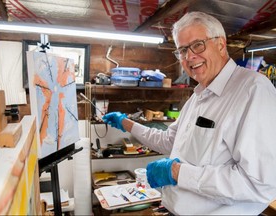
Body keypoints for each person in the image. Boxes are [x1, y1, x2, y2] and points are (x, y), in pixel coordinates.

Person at [102, 11, 276, 215]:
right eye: (182, 50)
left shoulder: (252, 90)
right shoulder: (199, 95)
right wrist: (126, 123)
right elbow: (170, 140)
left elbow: (259, 183)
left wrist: (176, 172)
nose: (190, 56)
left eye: (197, 45)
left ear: (221, 44)